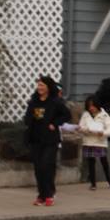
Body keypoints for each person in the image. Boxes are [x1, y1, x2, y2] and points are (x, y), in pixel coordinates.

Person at [24, 75, 72, 207]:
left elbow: (67, 115)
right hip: (36, 138)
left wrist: (55, 123)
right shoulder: (34, 101)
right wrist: (29, 121)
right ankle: (41, 195)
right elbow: (28, 116)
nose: (39, 88)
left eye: (42, 85)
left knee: (46, 165)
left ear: (48, 87)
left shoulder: (55, 102)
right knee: (38, 168)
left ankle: (49, 194)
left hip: (50, 139)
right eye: (38, 85)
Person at [78, 95, 110, 190]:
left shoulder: (104, 115)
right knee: (91, 162)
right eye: (89, 106)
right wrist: (87, 130)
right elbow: (81, 126)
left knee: (103, 161)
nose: (91, 108)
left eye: (93, 106)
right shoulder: (86, 115)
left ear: (97, 105)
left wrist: (103, 133)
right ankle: (93, 183)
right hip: (89, 141)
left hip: (100, 141)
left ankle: (109, 180)